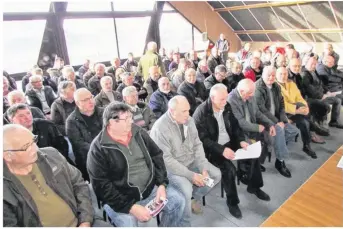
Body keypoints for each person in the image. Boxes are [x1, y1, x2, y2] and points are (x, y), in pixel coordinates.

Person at [87, 102, 189, 227]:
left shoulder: (138, 132)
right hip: (120, 197)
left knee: (178, 202)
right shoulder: (98, 149)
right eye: (127, 119)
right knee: (129, 223)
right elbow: (101, 186)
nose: (131, 121)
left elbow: (156, 155)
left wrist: (161, 184)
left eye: (131, 117)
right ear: (112, 122)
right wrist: (130, 207)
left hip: (149, 189)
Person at [3, 124, 111, 227]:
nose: (35, 149)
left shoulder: (52, 156)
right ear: (7, 156)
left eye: (33, 141)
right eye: (27, 146)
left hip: (83, 220)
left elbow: (79, 184)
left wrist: (85, 221)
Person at [193, 84, 270, 219]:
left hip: (230, 142)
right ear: (212, 98)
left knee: (253, 154)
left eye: (226, 98)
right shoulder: (201, 113)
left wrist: (241, 140)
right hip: (213, 149)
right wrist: (222, 150)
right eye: (222, 99)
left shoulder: (226, 106)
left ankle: (254, 187)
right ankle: (232, 202)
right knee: (229, 171)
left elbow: (235, 127)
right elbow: (203, 140)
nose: (225, 102)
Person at [150, 96, 222, 220]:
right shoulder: (160, 129)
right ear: (172, 111)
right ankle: (187, 206)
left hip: (190, 161)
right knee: (186, 189)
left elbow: (197, 144)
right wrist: (191, 175)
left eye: (188, 110)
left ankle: (193, 198)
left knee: (215, 175)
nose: (188, 114)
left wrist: (203, 168)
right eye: (184, 111)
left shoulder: (188, 120)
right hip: (172, 169)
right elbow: (167, 161)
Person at [228, 79, 293, 178]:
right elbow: (240, 123)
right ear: (241, 91)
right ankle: (249, 166)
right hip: (240, 132)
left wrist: (270, 124)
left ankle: (280, 161)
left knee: (277, 129)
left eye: (252, 93)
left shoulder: (249, 94)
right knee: (257, 142)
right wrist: (258, 128)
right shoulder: (231, 100)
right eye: (250, 93)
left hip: (253, 125)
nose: (252, 96)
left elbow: (258, 113)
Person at [255, 66, 316, 158]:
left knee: (297, 128)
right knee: (283, 129)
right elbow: (263, 110)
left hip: (280, 115)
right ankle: (280, 160)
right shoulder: (260, 87)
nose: (271, 77)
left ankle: (279, 143)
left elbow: (282, 104)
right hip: (265, 118)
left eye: (273, 75)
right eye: (269, 75)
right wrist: (278, 121)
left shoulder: (280, 85)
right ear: (263, 75)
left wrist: (283, 120)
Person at [6, 103, 71, 164]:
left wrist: (56, 160)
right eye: (21, 116)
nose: (27, 117)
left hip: (57, 160)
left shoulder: (46, 125)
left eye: (28, 113)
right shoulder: (10, 137)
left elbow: (62, 145)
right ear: (12, 120)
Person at [66, 88, 104, 181]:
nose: (90, 101)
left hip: (109, 151)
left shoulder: (104, 112)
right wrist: (100, 150)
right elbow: (79, 144)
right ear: (78, 103)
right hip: (88, 158)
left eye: (91, 97)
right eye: (85, 100)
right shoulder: (71, 121)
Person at [302, 57, 343, 129]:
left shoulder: (314, 71)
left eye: (315, 64)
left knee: (338, 100)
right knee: (325, 105)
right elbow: (310, 90)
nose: (314, 66)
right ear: (306, 63)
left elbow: (321, 84)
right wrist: (322, 95)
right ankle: (321, 123)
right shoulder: (304, 74)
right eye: (312, 64)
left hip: (322, 95)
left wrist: (327, 91)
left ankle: (333, 121)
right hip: (312, 98)